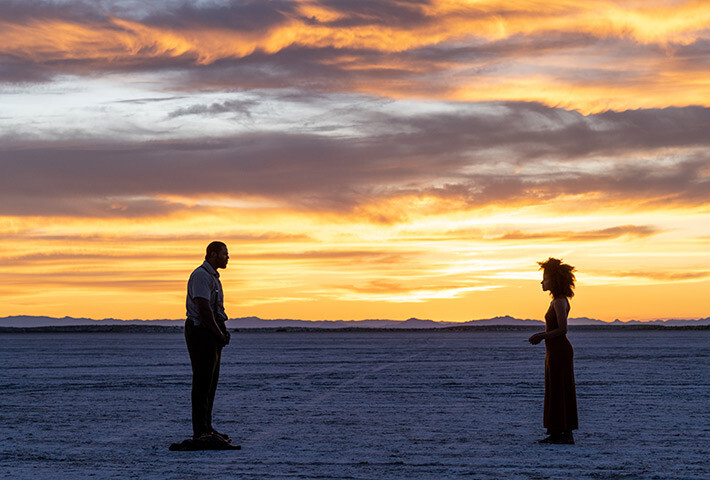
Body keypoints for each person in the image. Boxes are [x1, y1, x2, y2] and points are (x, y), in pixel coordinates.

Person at [185, 241, 232, 443]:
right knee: (202, 382)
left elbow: (216, 310)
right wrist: (217, 333)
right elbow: (203, 309)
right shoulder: (201, 276)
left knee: (211, 383)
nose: (228, 257)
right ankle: (200, 431)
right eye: (224, 253)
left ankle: (207, 427)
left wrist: (223, 331)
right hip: (200, 332)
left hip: (211, 333)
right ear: (213, 254)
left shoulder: (213, 277)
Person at [528, 257, 579, 444]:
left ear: (554, 281)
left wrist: (541, 335)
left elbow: (563, 330)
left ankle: (564, 432)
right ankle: (558, 432)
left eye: (545, 278)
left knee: (560, 389)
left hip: (560, 351)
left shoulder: (559, 302)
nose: (542, 282)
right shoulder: (556, 301)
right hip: (554, 351)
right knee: (555, 389)